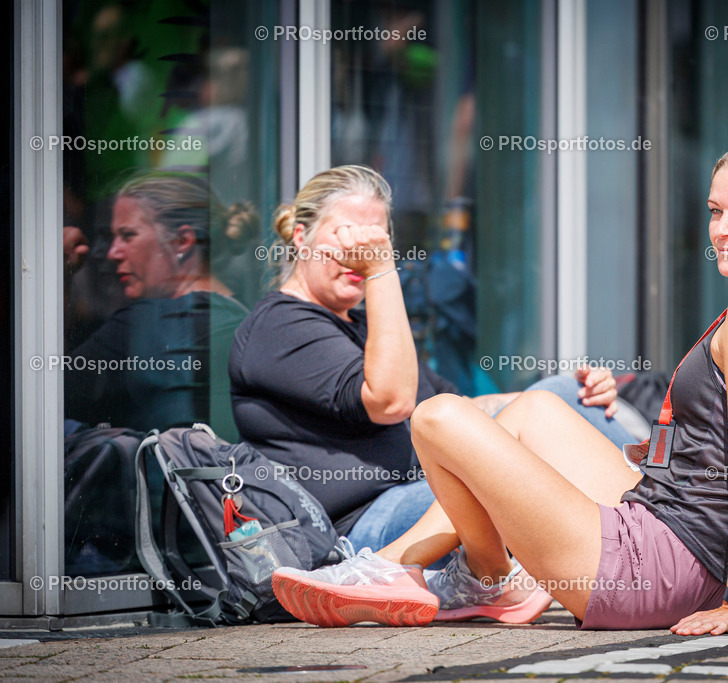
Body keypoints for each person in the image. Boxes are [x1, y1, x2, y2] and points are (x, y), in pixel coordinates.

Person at [271, 141, 728, 632]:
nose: (722, 229)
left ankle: (472, 576)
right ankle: (447, 573)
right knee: (536, 407)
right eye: (716, 211)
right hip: (669, 525)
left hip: (660, 567)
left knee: (435, 417)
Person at [229, 165, 634, 579]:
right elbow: (391, 401)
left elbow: (459, 409)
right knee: (532, 452)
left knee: (561, 395)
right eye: (349, 234)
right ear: (302, 237)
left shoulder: (365, 326)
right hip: (365, 527)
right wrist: (381, 269)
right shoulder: (278, 325)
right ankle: (660, 529)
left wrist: (557, 401)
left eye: (376, 238)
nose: (362, 250)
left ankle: (662, 517)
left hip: (427, 497)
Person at [65, 171, 249, 439]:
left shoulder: (150, 323)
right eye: (113, 237)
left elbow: (44, 397)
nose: (113, 252)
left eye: (128, 236)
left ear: (182, 242)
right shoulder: (244, 317)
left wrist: (57, 271)